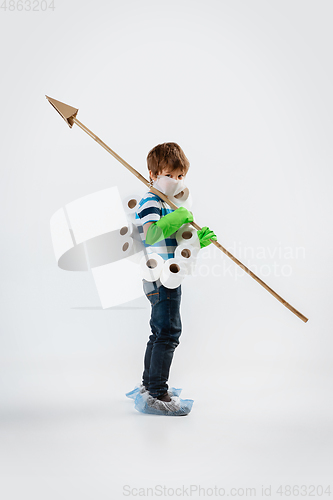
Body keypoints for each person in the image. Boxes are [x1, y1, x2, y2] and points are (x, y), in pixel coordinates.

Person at [126, 142, 217, 416]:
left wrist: (194, 241)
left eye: (180, 177)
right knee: (168, 333)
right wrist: (176, 218)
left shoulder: (169, 202)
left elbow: (174, 240)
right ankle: (157, 392)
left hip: (168, 275)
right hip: (159, 278)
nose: (176, 182)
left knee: (159, 332)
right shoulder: (150, 201)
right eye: (169, 175)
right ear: (153, 175)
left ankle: (147, 385)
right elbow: (151, 235)